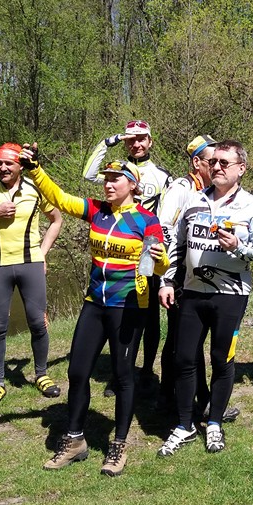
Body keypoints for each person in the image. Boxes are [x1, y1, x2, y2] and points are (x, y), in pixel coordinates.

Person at [25, 145, 169, 476]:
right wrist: (35, 170)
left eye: (116, 178)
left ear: (132, 185)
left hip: (128, 306)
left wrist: (159, 257)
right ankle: (75, 440)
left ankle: (118, 445)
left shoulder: (146, 221)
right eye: (106, 178)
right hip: (94, 303)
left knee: (122, 376)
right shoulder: (96, 211)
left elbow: (157, 268)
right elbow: (60, 198)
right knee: (77, 372)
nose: (108, 183)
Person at [157, 140, 253, 456]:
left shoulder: (251, 206)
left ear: (241, 169)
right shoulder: (193, 201)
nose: (217, 167)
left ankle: (214, 424)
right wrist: (167, 281)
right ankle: (184, 425)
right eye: (214, 162)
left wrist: (238, 247)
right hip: (192, 292)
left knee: (222, 359)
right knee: (184, 359)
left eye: (225, 163)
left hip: (231, 295)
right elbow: (177, 245)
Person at [0, 143, 63, 408]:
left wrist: (43, 253)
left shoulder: (36, 187)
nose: (3, 168)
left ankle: (41, 375)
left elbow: (56, 220)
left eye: (8, 163)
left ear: (20, 166)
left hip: (31, 263)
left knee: (38, 322)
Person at [83, 120, 172, 395]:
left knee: (150, 315)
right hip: (119, 245)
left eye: (141, 138)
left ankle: (146, 371)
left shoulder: (162, 175)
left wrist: (162, 246)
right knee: (121, 315)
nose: (136, 144)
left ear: (150, 141)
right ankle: (121, 372)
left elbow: (168, 211)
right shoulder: (116, 172)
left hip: (147, 244)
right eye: (131, 139)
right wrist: (108, 142)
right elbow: (88, 175)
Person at [155, 135, 216, 414]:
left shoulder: (210, 191)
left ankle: (168, 394)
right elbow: (162, 228)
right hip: (177, 274)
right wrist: (167, 274)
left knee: (182, 337)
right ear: (196, 162)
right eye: (211, 161)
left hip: (197, 273)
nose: (216, 166)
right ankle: (198, 399)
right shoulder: (181, 188)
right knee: (184, 337)